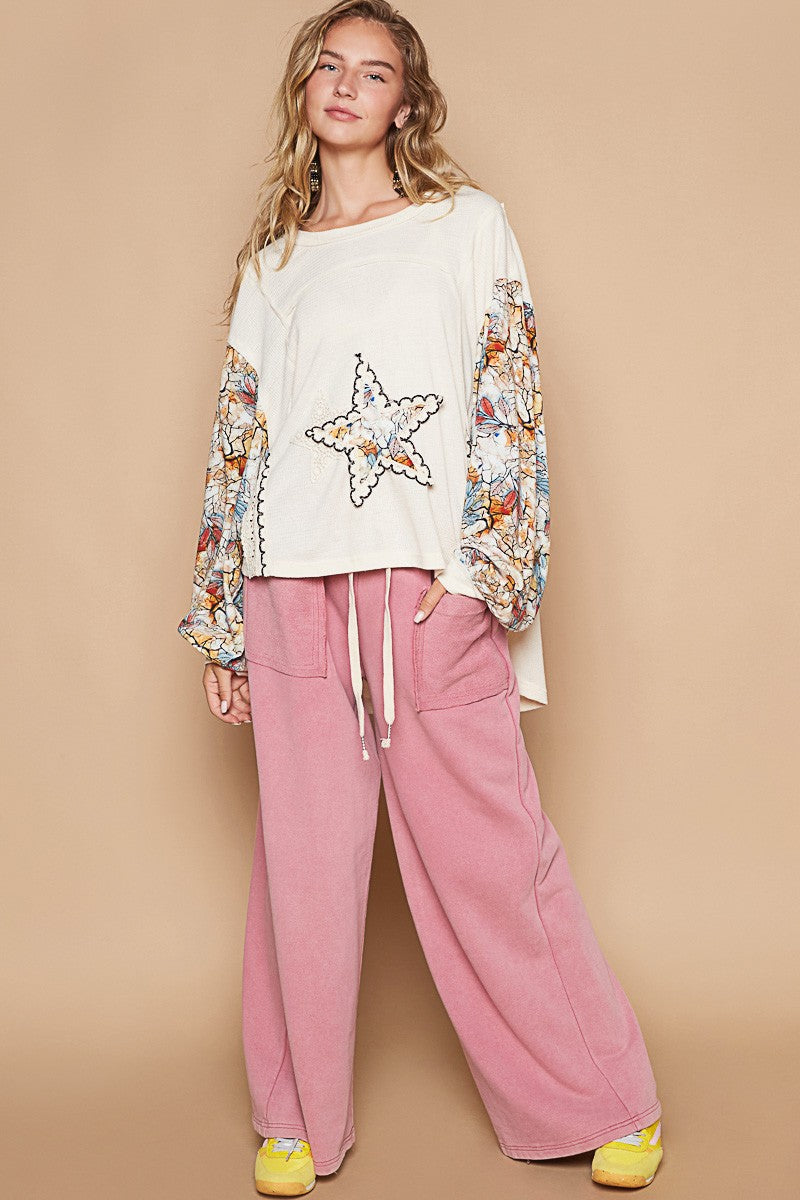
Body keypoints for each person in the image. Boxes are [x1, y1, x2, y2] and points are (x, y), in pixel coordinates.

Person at [176, 1, 664, 1193]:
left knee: (492, 859)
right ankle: (294, 1116)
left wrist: (478, 580)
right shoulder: (273, 267)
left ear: (406, 103)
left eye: (375, 72)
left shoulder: (466, 228)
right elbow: (238, 444)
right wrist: (223, 625)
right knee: (301, 867)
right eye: (329, 65)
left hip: (426, 592)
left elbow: (506, 397)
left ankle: (608, 1101)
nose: (347, 85)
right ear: (305, 89)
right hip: (287, 588)